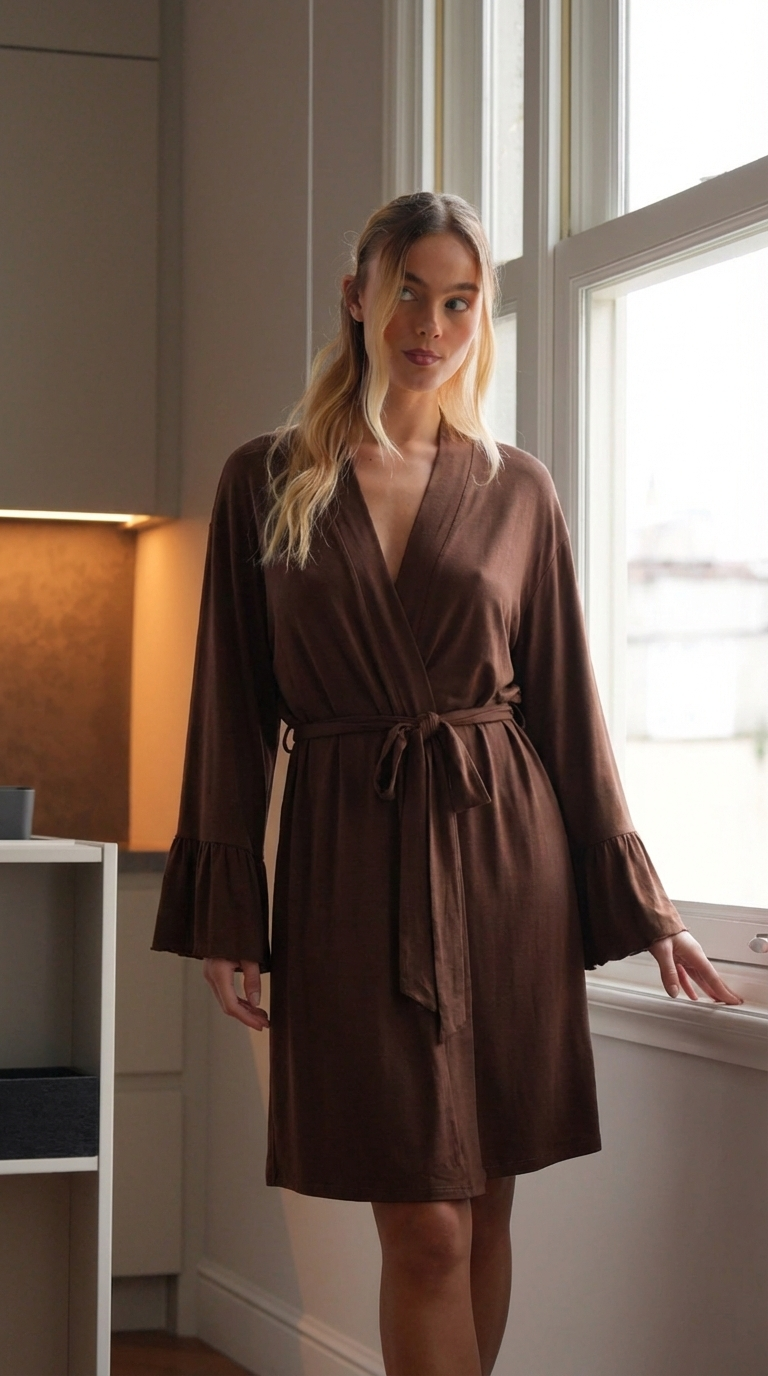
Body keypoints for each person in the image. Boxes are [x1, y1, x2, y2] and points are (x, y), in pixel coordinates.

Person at [152, 191, 742, 1376]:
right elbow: (230, 707)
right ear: (356, 296)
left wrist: (650, 907)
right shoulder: (264, 479)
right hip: (348, 871)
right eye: (410, 292)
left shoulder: (519, 488)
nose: (432, 325)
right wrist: (228, 911)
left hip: (505, 868)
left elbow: (567, 709)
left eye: (461, 302)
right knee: (424, 1226)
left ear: (483, 317)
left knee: (483, 1209)